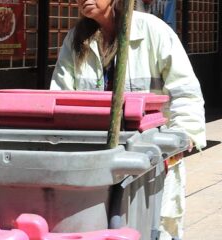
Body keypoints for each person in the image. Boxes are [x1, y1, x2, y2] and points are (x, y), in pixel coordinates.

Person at [50, 0, 206, 239]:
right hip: (96, 161)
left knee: (155, 227)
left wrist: (182, 138)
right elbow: (59, 97)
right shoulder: (75, 39)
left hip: (152, 159)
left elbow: (185, 93)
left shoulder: (153, 31)